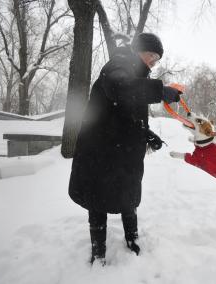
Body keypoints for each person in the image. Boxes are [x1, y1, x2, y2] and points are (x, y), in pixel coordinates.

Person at [68, 33, 181, 265]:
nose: (153, 62)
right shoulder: (119, 65)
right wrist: (160, 91)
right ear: (139, 50)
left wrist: (146, 133)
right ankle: (98, 253)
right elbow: (120, 89)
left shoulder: (136, 75)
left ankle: (132, 238)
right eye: (151, 55)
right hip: (100, 151)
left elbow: (125, 114)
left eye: (157, 59)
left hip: (121, 152)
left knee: (128, 194)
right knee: (97, 199)